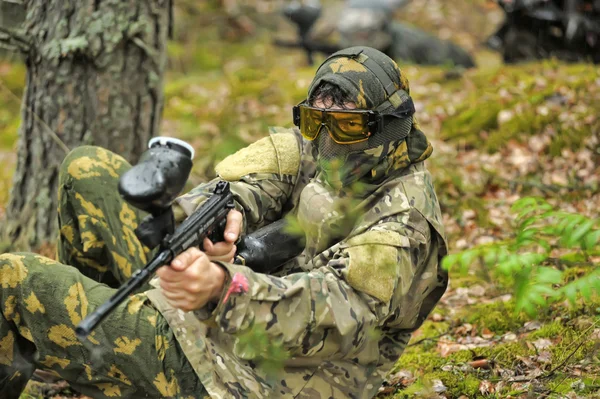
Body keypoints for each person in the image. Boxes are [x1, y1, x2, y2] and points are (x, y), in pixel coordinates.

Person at [0, 46, 448, 398]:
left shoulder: (403, 223)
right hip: (224, 322)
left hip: (255, 378)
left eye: (346, 127)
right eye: (315, 120)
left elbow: (331, 312)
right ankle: (97, 357)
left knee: (11, 280)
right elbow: (252, 183)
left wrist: (222, 288)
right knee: (86, 169)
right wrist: (225, 218)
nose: (327, 139)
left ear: (389, 127)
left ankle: (99, 354)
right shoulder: (320, 141)